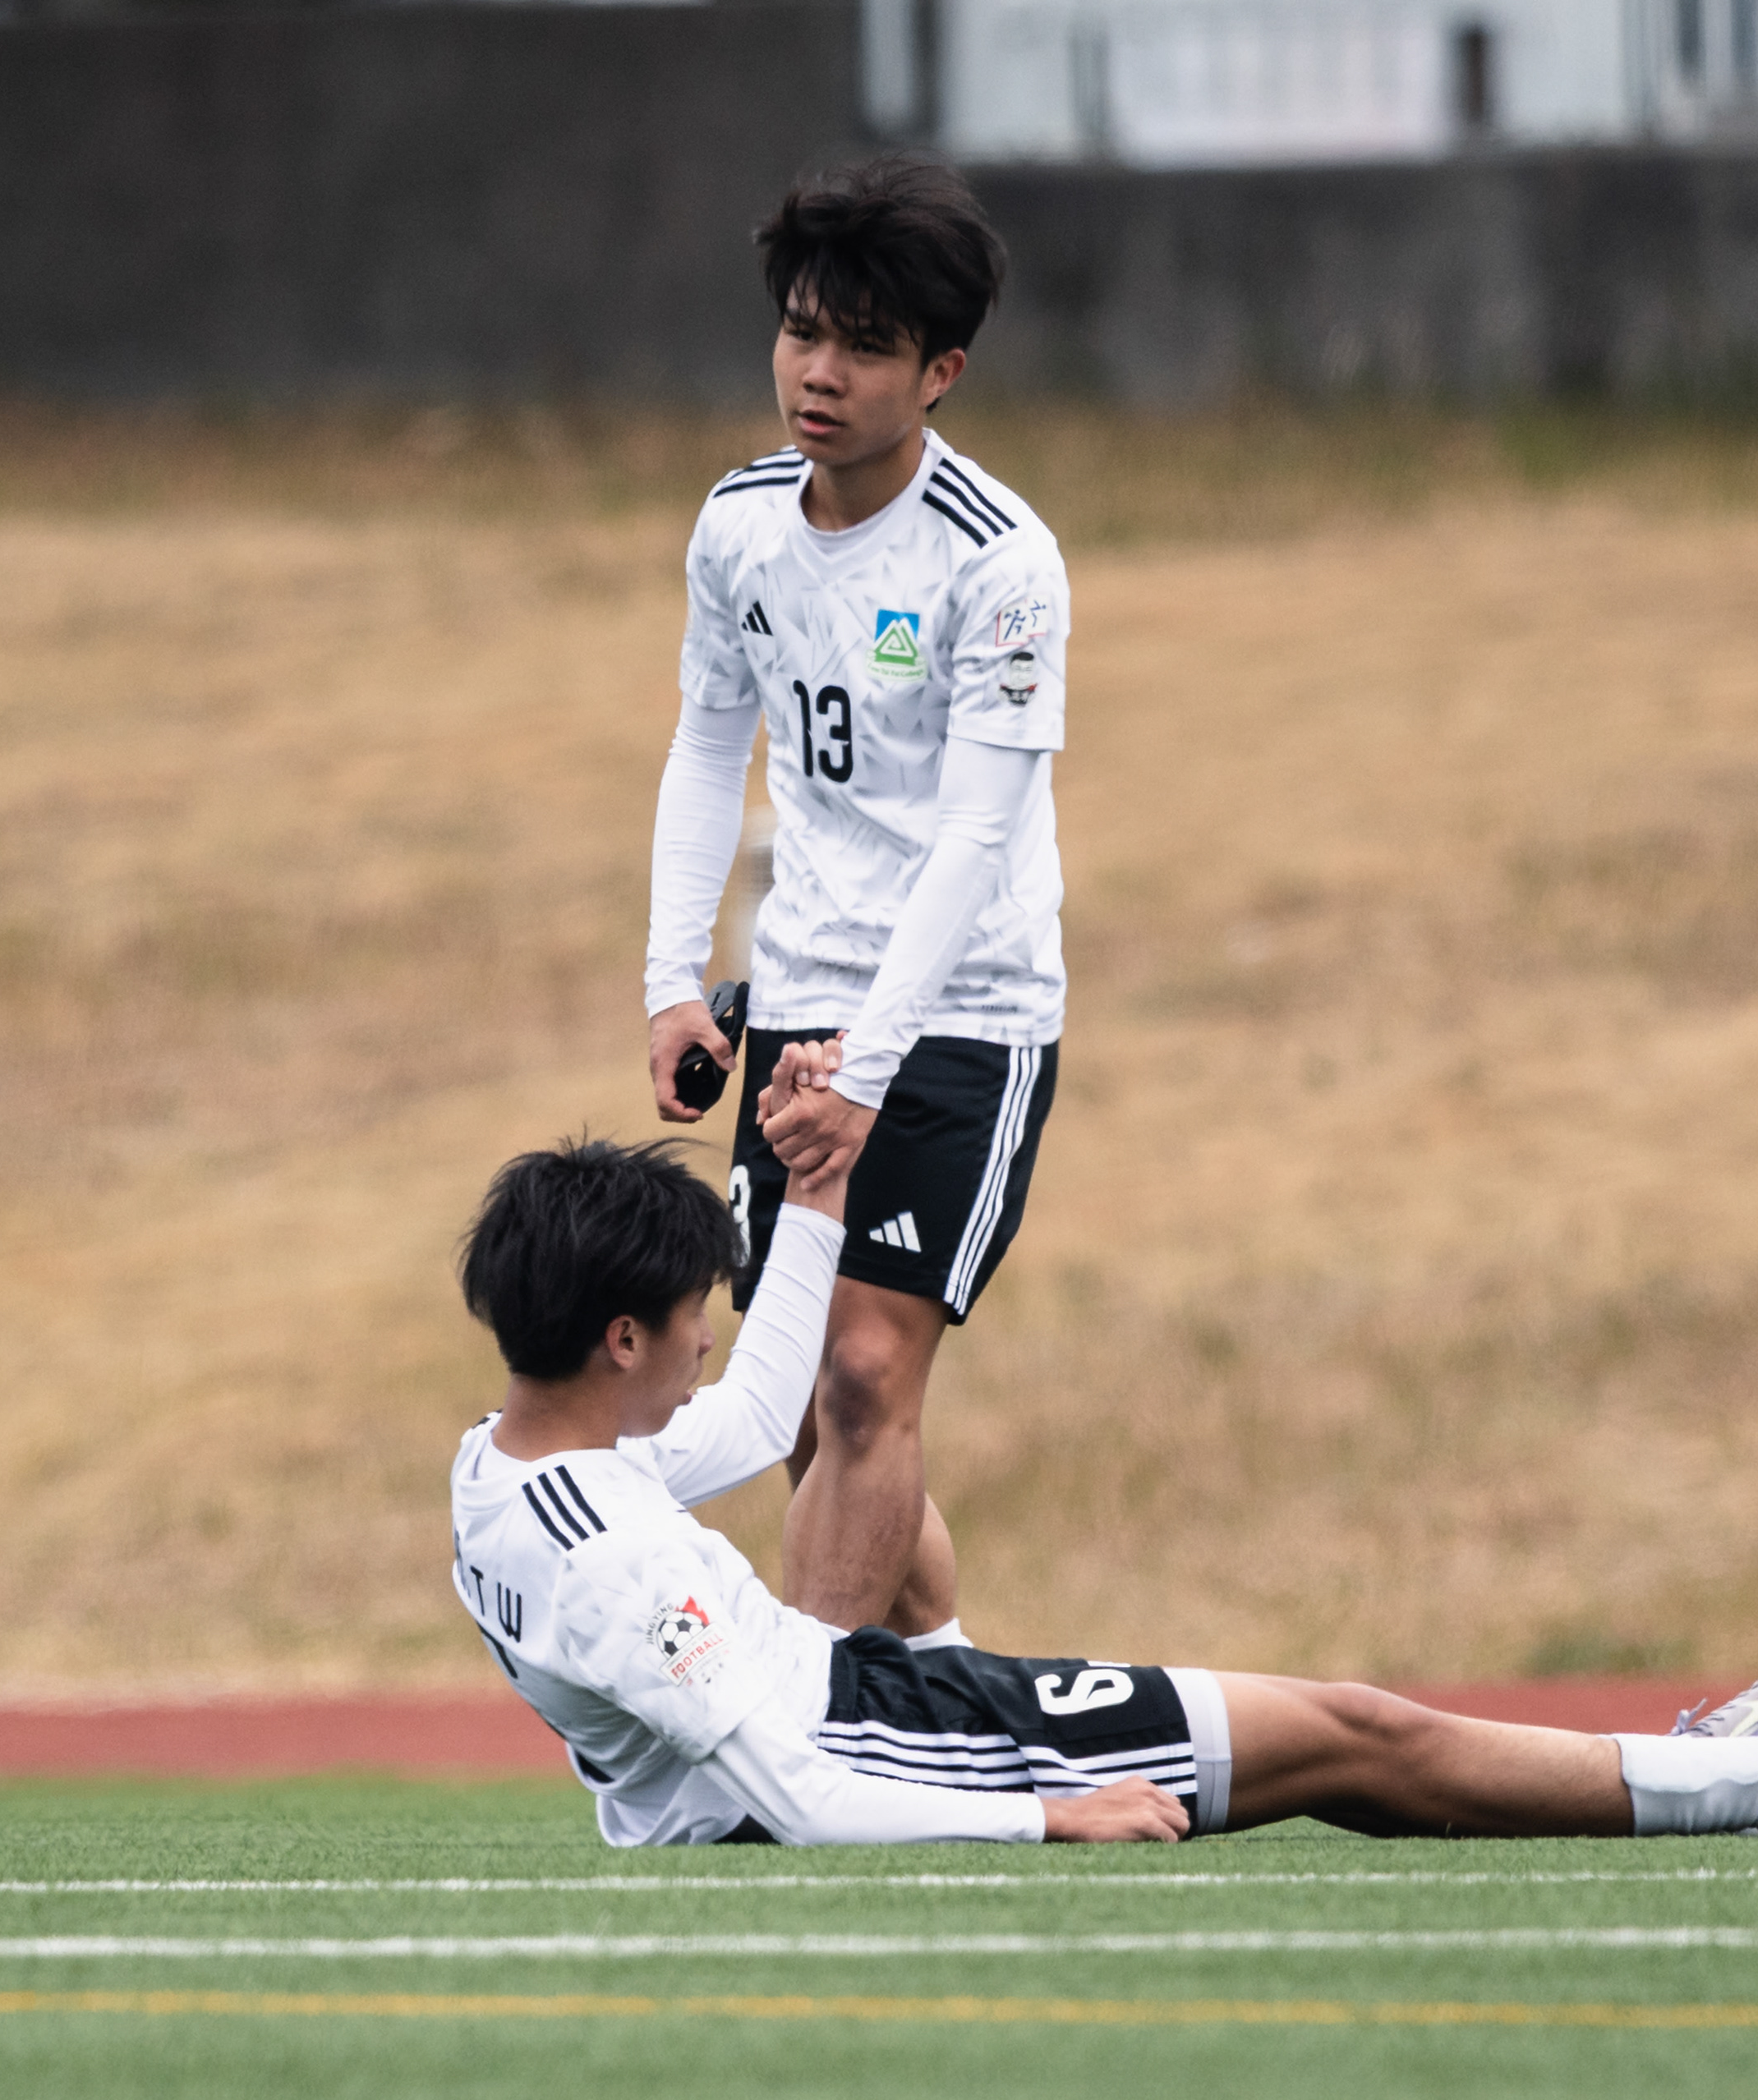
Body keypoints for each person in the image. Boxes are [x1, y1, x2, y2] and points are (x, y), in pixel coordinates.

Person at [448, 1055, 1758, 1849]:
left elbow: (752, 1406)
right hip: (884, 1744)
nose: (709, 1333)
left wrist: (821, 1189)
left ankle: (1706, 1759)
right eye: (688, 1312)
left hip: (873, 1703)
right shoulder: (615, 1554)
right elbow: (796, 1790)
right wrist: (1049, 1813)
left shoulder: (506, 1466)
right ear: (622, 1342)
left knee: (918, 1537)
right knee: (1355, 1731)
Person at [640, 154, 1068, 1647]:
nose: (817, 374)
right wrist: (673, 980)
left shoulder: (1001, 563)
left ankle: (802, 1743)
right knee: (814, 1417)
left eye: (865, 346)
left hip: (962, 1013)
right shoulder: (739, 528)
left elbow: (973, 840)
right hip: (802, 1001)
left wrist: (872, 1078)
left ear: (940, 373)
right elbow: (708, 744)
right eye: (801, 331)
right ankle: (957, 1698)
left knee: (870, 1378)